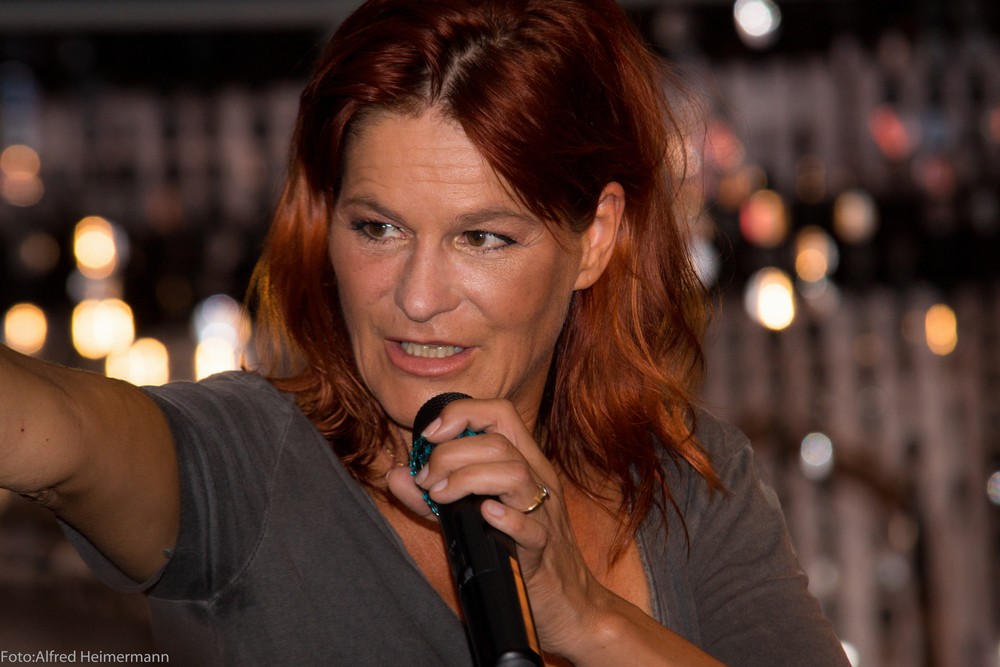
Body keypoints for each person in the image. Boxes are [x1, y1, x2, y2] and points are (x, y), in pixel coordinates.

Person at [0, 0, 851, 665]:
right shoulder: (253, 463)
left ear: (595, 238)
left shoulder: (689, 485)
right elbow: (64, 432)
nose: (416, 297)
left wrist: (588, 617)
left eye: (482, 237)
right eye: (378, 228)